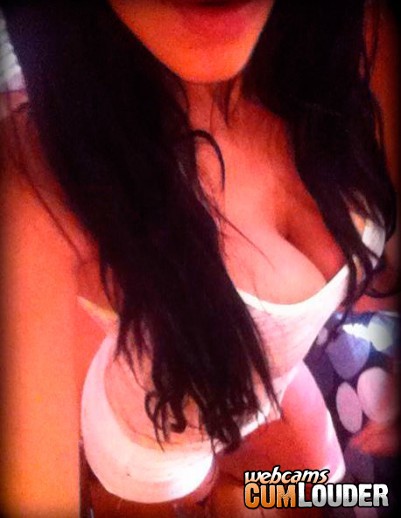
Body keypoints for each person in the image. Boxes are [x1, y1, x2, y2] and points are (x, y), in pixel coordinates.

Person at [1, 1, 398, 516]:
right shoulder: (34, 180)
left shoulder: (365, 34)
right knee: (185, 498)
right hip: (150, 443)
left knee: (324, 488)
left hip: (269, 385)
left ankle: (233, 492)